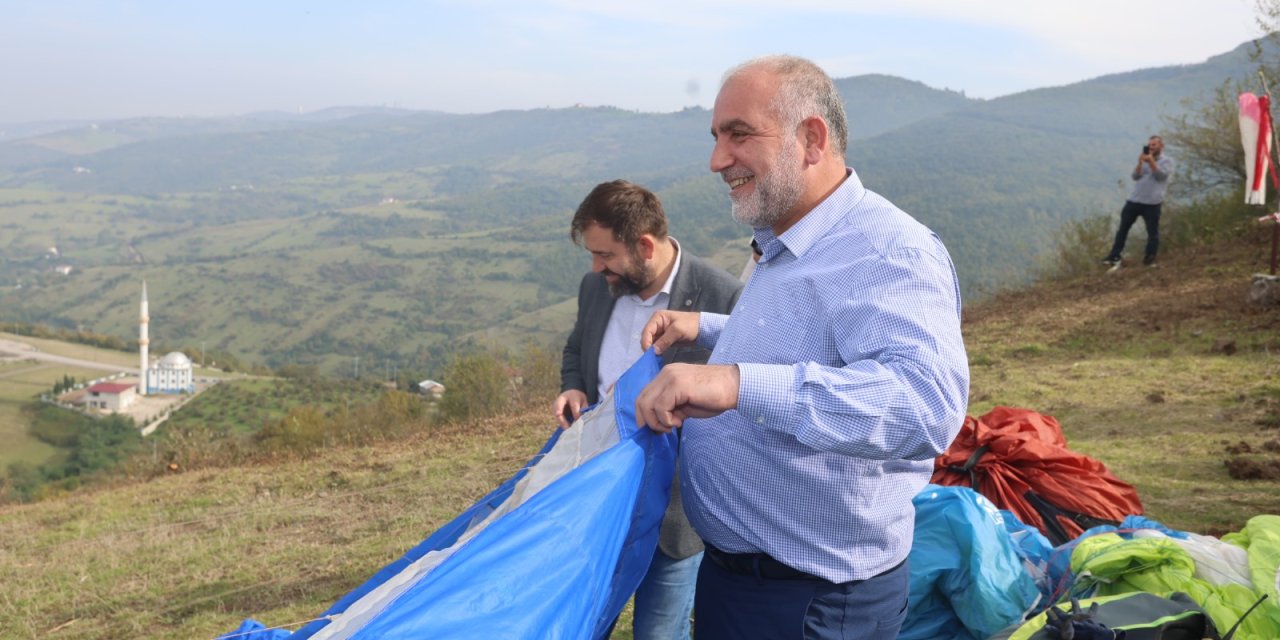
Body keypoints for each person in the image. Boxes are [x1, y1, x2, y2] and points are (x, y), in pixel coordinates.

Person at [634, 55, 970, 639]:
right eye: (716, 137)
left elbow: (923, 407)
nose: (718, 160)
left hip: (810, 601)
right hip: (743, 579)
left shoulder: (890, 253)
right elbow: (803, 335)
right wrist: (708, 328)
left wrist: (736, 382)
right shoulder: (789, 238)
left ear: (811, 138)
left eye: (739, 134)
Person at [554, 179, 742, 640]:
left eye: (605, 255)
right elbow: (578, 348)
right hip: (599, 499)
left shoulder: (723, 297)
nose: (597, 267)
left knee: (660, 632)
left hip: (676, 516)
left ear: (644, 245)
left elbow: (742, 402)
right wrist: (574, 388)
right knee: (584, 623)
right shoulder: (595, 287)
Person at [1103, 135, 1174, 268]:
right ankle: (1114, 256)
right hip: (1134, 200)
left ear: (1161, 146)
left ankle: (1150, 258)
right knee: (1123, 229)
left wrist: (1151, 160)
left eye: (1154, 145)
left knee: (1152, 232)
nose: (1151, 147)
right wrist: (1141, 162)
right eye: (1150, 145)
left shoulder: (1167, 161)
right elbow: (1135, 177)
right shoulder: (1145, 160)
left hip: (1152, 203)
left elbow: (1161, 176)